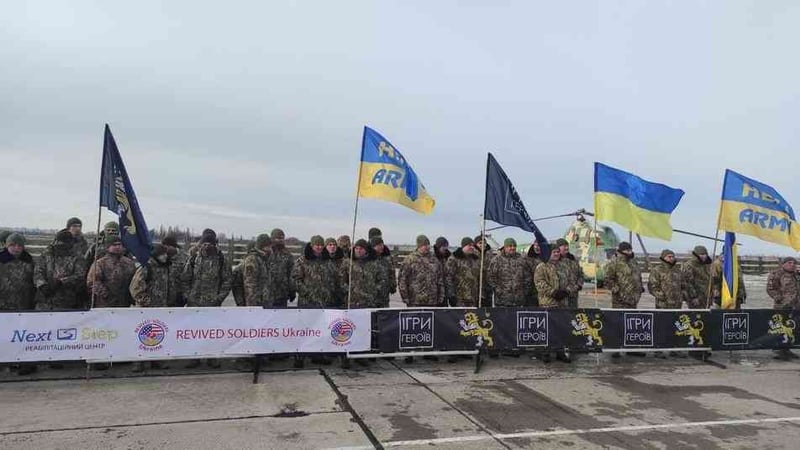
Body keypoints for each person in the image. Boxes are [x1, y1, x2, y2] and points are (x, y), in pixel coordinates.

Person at [180, 228, 232, 369]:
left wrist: (219, 298)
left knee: (212, 332)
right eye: (204, 244)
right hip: (194, 303)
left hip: (212, 304)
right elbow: (185, 278)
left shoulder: (222, 260)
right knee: (194, 332)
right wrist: (188, 296)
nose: (207, 246)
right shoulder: (194, 258)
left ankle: (211, 357)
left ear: (215, 244)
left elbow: (227, 281)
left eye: (210, 244)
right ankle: (194, 357)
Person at [129, 244, 181, 372]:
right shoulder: (146, 267)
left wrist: (171, 301)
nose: (164, 257)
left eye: (166, 254)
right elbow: (135, 288)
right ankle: (138, 362)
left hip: (162, 308)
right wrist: (146, 302)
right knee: (142, 336)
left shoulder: (167, 267)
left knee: (159, 335)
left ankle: (157, 360)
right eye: (162, 254)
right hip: (146, 309)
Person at [291, 235, 341, 367]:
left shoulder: (327, 261)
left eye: (320, 245)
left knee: (320, 330)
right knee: (304, 329)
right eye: (316, 245)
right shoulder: (302, 260)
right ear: (312, 246)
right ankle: (300, 356)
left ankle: (317, 354)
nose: (319, 247)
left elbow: (334, 279)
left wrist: (332, 293)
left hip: (324, 302)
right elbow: (295, 280)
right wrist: (307, 292)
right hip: (307, 302)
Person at [0, 233, 37, 375]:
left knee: (22, 336)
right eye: (13, 245)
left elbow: (35, 281)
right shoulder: (1, 260)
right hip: (3, 306)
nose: (16, 248)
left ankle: (23, 362)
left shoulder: (29, 261)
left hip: (24, 306)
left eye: (19, 245)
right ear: (7, 245)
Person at [604, 242, 643, 358]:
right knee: (618, 323)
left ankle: (631, 348)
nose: (630, 252)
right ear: (621, 251)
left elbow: (638, 277)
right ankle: (615, 348)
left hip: (633, 299)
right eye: (627, 250)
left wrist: (640, 287)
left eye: (630, 250)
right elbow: (607, 280)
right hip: (620, 300)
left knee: (631, 324)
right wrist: (617, 291)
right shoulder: (614, 262)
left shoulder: (634, 262)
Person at [647, 249, 687, 358]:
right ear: (663, 257)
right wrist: (662, 296)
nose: (671, 258)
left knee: (676, 327)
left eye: (672, 256)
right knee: (661, 327)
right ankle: (658, 350)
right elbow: (652, 287)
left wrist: (683, 295)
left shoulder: (678, 271)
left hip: (677, 305)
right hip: (663, 305)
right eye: (669, 256)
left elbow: (683, 285)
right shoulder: (657, 270)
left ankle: (675, 349)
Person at [34, 230, 87, 311]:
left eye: (64, 244)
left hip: (66, 303)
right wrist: (42, 285)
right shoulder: (47, 254)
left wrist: (61, 282)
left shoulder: (77, 257)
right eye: (59, 244)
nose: (61, 247)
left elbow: (80, 275)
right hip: (43, 302)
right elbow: (38, 271)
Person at [534, 249, 570, 362]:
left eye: (558, 252)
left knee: (561, 328)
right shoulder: (541, 267)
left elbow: (571, 280)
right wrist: (553, 292)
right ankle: (545, 352)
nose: (556, 254)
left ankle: (560, 352)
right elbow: (539, 283)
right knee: (547, 329)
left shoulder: (563, 266)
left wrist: (567, 291)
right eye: (553, 252)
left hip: (562, 303)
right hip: (548, 303)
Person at [87, 235, 136, 308]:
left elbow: (134, 281)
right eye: (114, 245)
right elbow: (93, 282)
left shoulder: (129, 263)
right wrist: (106, 295)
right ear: (107, 247)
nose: (117, 247)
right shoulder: (100, 263)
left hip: (124, 303)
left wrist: (131, 296)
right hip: (105, 304)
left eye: (119, 244)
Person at [766, 257, 800, 360]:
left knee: (792, 329)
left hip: (796, 306)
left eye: (794, 263)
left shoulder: (796, 275)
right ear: (783, 264)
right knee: (780, 328)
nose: (792, 265)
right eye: (789, 262)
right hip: (782, 307)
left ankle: (787, 349)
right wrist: (778, 298)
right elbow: (770, 288)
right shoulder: (776, 274)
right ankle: (778, 351)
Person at [398, 235, 444, 307]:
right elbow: (402, 279)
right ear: (419, 246)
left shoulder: (434, 260)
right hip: (415, 300)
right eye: (425, 245)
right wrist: (405, 297)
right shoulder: (410, 260)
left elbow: (440, 279)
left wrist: (441, 296)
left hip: (432, 301)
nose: (427, 247)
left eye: (428, 245)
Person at [487, 238, 532, 307]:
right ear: (505, 247)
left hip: (519, 300)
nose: (512, 248)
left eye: (514, 246)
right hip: (502, 300)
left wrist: (524, 291)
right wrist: (498, 290)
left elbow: (527, 276)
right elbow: (490, 277)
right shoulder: (496, 260)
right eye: (510, 246)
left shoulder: (521, 259)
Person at [445, 237, 481, 307]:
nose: (472, 247)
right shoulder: (454, 258)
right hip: (460, 298)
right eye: (469, 245)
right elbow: (448, 278)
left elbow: (478, 277)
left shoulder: (475, 259)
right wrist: (451, 295)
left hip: (473, 297)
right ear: (463, 246)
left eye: (473, 245)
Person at [266, 228, 295, 308]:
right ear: (272, 238)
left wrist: (292, 291)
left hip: (282, 294)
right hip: (267, 294)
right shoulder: (266, 253)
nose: (280, 240)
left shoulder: (288, 255)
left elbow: (291, 274)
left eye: (282, 238)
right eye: (278, 238)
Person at [241, 234, 272, 307]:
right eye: (268, 246)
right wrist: (252, 305)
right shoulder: (252, 259)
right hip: (256, 302)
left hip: (264, 300)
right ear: (262, 246)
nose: (270, 248)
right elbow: (250, 284)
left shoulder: (263, 258)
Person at [556, 238, 583, 309]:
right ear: (558, 247)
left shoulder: (573, 259)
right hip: (561, 297)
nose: (567, 248)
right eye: (564, 246)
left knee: (573, 314)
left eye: (567, 246)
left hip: (573, 296)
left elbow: (581, 274)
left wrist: (578, 285)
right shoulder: (555, 260)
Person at [370, 236, 396, 308]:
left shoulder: (386, 259)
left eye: (382, 245)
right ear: (373, 247)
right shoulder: (369, 260)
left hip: (384, 294)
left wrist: (392, 285)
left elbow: (391, 272)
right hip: (372, 296)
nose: (381, 247)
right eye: (379, 245)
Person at [475, 234, 493, 305]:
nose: (483, 245)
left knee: (488, 306)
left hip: (488, 285)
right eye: (480, 243)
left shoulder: (490, 253)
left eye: (484, 243)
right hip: (476, 286)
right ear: (476, 244)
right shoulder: (473, 254)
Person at [526, 240, 546, 307]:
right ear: (533, 246)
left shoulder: (547, 259)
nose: (538, 247)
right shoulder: (527, 259)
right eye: (536, 245)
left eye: (540, 246)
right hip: (531, 292)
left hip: (544, 292)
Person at [433, 237, 451, 306]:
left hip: (445, 291)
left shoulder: (448, 258)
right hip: (435, 291)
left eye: (446, 246)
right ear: (438, 247)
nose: (445, 248)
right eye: (443, 246)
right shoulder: (432, 258)